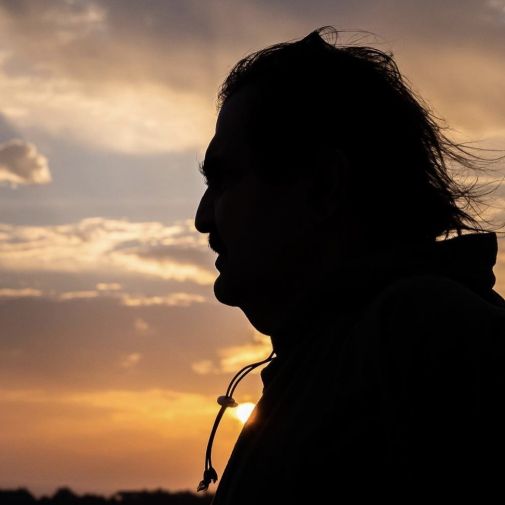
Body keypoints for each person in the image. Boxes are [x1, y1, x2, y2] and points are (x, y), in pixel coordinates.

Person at [194, 26, 505, 503]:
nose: (202, 218)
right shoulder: (341, 356)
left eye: (224, 180)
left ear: (324, 187)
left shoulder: (422, 335)